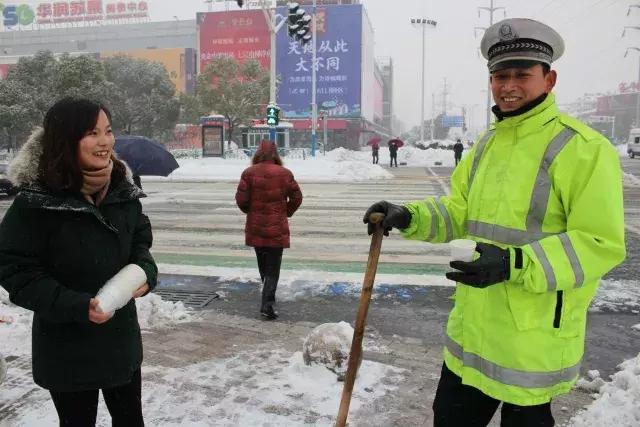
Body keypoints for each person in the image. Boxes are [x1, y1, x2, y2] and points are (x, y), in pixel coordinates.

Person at [363, 18, 625, 426]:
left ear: (549, 79)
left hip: (531, 341)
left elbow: (599, 242)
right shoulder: (486, 145)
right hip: (473, 333)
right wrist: (408, 215)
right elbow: (459, 213)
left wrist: (513, 263)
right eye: (500, 76)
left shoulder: (585, 150)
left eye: (522, 74)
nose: (509, 85)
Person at [0, 97, 157, 426]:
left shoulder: (121, 189)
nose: (105, 141)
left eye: (108, 130)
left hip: (119, 341)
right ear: (66, 138)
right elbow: (14, 269)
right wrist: (75, 305)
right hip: (66, 346)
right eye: (92, 132)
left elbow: (140, 239)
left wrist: (146, 271)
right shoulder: (36, 201)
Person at [235, 140, 303, 320]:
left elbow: (242, 200)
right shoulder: (285, 174)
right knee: (273, 267)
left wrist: (251, 211)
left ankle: (267, 296)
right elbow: (297, 197)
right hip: (276, 227)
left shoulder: (248, 173)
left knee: (263, 264)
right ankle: (267, 303)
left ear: (257, 154)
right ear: (276, 155)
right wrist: (286, 212)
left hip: (256, 226)